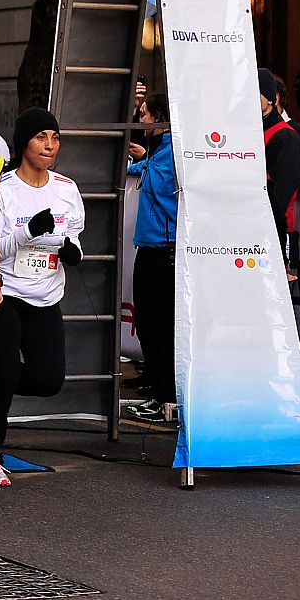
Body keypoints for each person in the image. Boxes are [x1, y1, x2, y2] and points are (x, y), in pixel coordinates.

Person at [0, 108, 85, 487]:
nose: (49, 145)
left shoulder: (67, 189)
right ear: (24, 143)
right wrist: (27, 233)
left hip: (47, 294)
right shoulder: (3, 190)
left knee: (48, 379)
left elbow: (74, 237)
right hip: (6, 294)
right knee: (6, 372)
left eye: (54, 139)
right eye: (41, 138)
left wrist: (74, 252)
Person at [125, 95, 176, 421]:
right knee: (146, 323)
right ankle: (157, 393)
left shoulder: (174, 151)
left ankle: (168, 397)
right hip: (148, 246)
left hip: (166, 250)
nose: (139, 120)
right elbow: (143, 168)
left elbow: (160, 183)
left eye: (142, 115)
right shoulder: (157, 152)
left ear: (158, 119)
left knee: (163, 328)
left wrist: (146, 162)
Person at [260, 68, 300, 279]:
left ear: (272, 99)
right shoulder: (254, 132)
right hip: (256, 230)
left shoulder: (285, 137)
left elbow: (282, 196)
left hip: (278, 235)